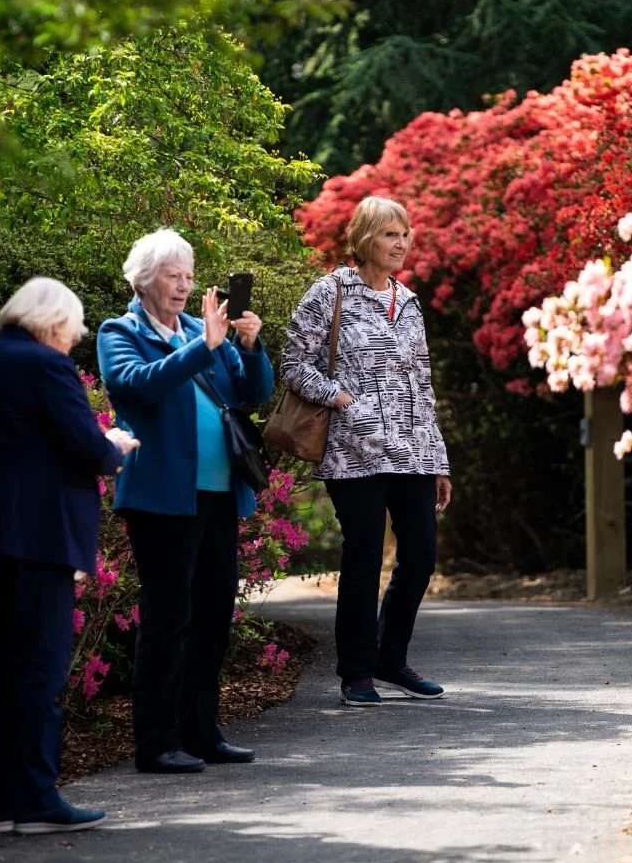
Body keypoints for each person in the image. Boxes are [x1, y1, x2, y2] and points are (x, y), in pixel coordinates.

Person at [0, 277, 139, 835]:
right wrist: (114, 447)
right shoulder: (47, 367)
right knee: (38, 672)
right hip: (33, 541)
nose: (72, 342)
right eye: (72, 332)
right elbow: (86, 448)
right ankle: (37, 802)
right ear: (53, 322)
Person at [96, 229, 273, 773]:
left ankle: (202, 731)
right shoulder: (118, 331)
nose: (184, 285)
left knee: (214, 615)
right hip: (162, 498)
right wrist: (205, 346)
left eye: (190, 275)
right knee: (168, 618)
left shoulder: (203, 329)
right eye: (173, 275)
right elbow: (137, 385)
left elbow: (253, 391)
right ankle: (157, 741)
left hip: (219, 494)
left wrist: (248, 344)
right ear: (145, 279)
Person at [280, 196, 452, 707]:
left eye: (405, 234)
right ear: (364, 240)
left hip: (414, 451)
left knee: (420, 556)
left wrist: (439, 457)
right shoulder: (329, 293)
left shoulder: (411, 302)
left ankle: (389, 659)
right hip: (354, 451)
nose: (401, 244)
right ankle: (356, 673)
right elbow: (293, 363)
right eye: (389, 235)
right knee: (362, 560)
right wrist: (338, 397)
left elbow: (423, 385)